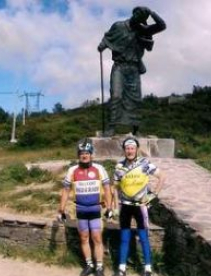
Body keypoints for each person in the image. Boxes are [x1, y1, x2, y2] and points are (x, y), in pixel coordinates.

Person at [98, 7, 166, 136]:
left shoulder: (142, 30)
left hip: (134, 69)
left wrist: (151, 13)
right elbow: (108, 37)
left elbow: (162, 25)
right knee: (116, 95)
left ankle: (136, 128)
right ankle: (111, 126)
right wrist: (102, 45)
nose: (138, 18)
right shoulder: (118, 26)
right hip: (119, 66)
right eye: (138, 14)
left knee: (135, 100)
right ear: (134, 13)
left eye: (142, 17)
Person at [58, 138, 113, 276]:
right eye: (81, 153)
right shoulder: (72, 170)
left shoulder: (99, 169)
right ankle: (89, 265)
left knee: (97, 238)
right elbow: (65, 190)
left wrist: (110, 208)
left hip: (95, 209)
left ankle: (99, 267)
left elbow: (107, 189)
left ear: (91, 154)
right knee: (83, 238)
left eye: (87, 153)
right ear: (78, 155)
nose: (84, 155)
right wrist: (61, 210)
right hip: (81, 210)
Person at [112, 137, 166, 276]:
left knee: (143, 237)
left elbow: (162, 177)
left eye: (132, 148)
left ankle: (148, 268)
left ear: (136, 150)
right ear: (124, 150)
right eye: (127, 148)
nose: (130, 151)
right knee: (124, 237)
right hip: (125, 205)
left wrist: (153, 195)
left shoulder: (144, 163)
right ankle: (122, 268)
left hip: (140, 206)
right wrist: (115, 206)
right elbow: (115, 187)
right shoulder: (119, 166)